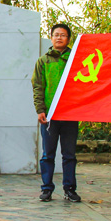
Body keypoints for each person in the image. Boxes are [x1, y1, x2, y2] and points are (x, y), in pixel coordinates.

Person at [31, 24, 81, 203]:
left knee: (69, 155)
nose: (59, 38)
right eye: (56, 35)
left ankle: (70, 189)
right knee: (48, 155)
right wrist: (40, 110)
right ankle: (46, 189)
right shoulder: (43, 61)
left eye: (63, 35)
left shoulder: (75, 60)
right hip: (50, 116)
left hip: (70, 114)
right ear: (51, 38)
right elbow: (38, 86)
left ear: (69, 39)